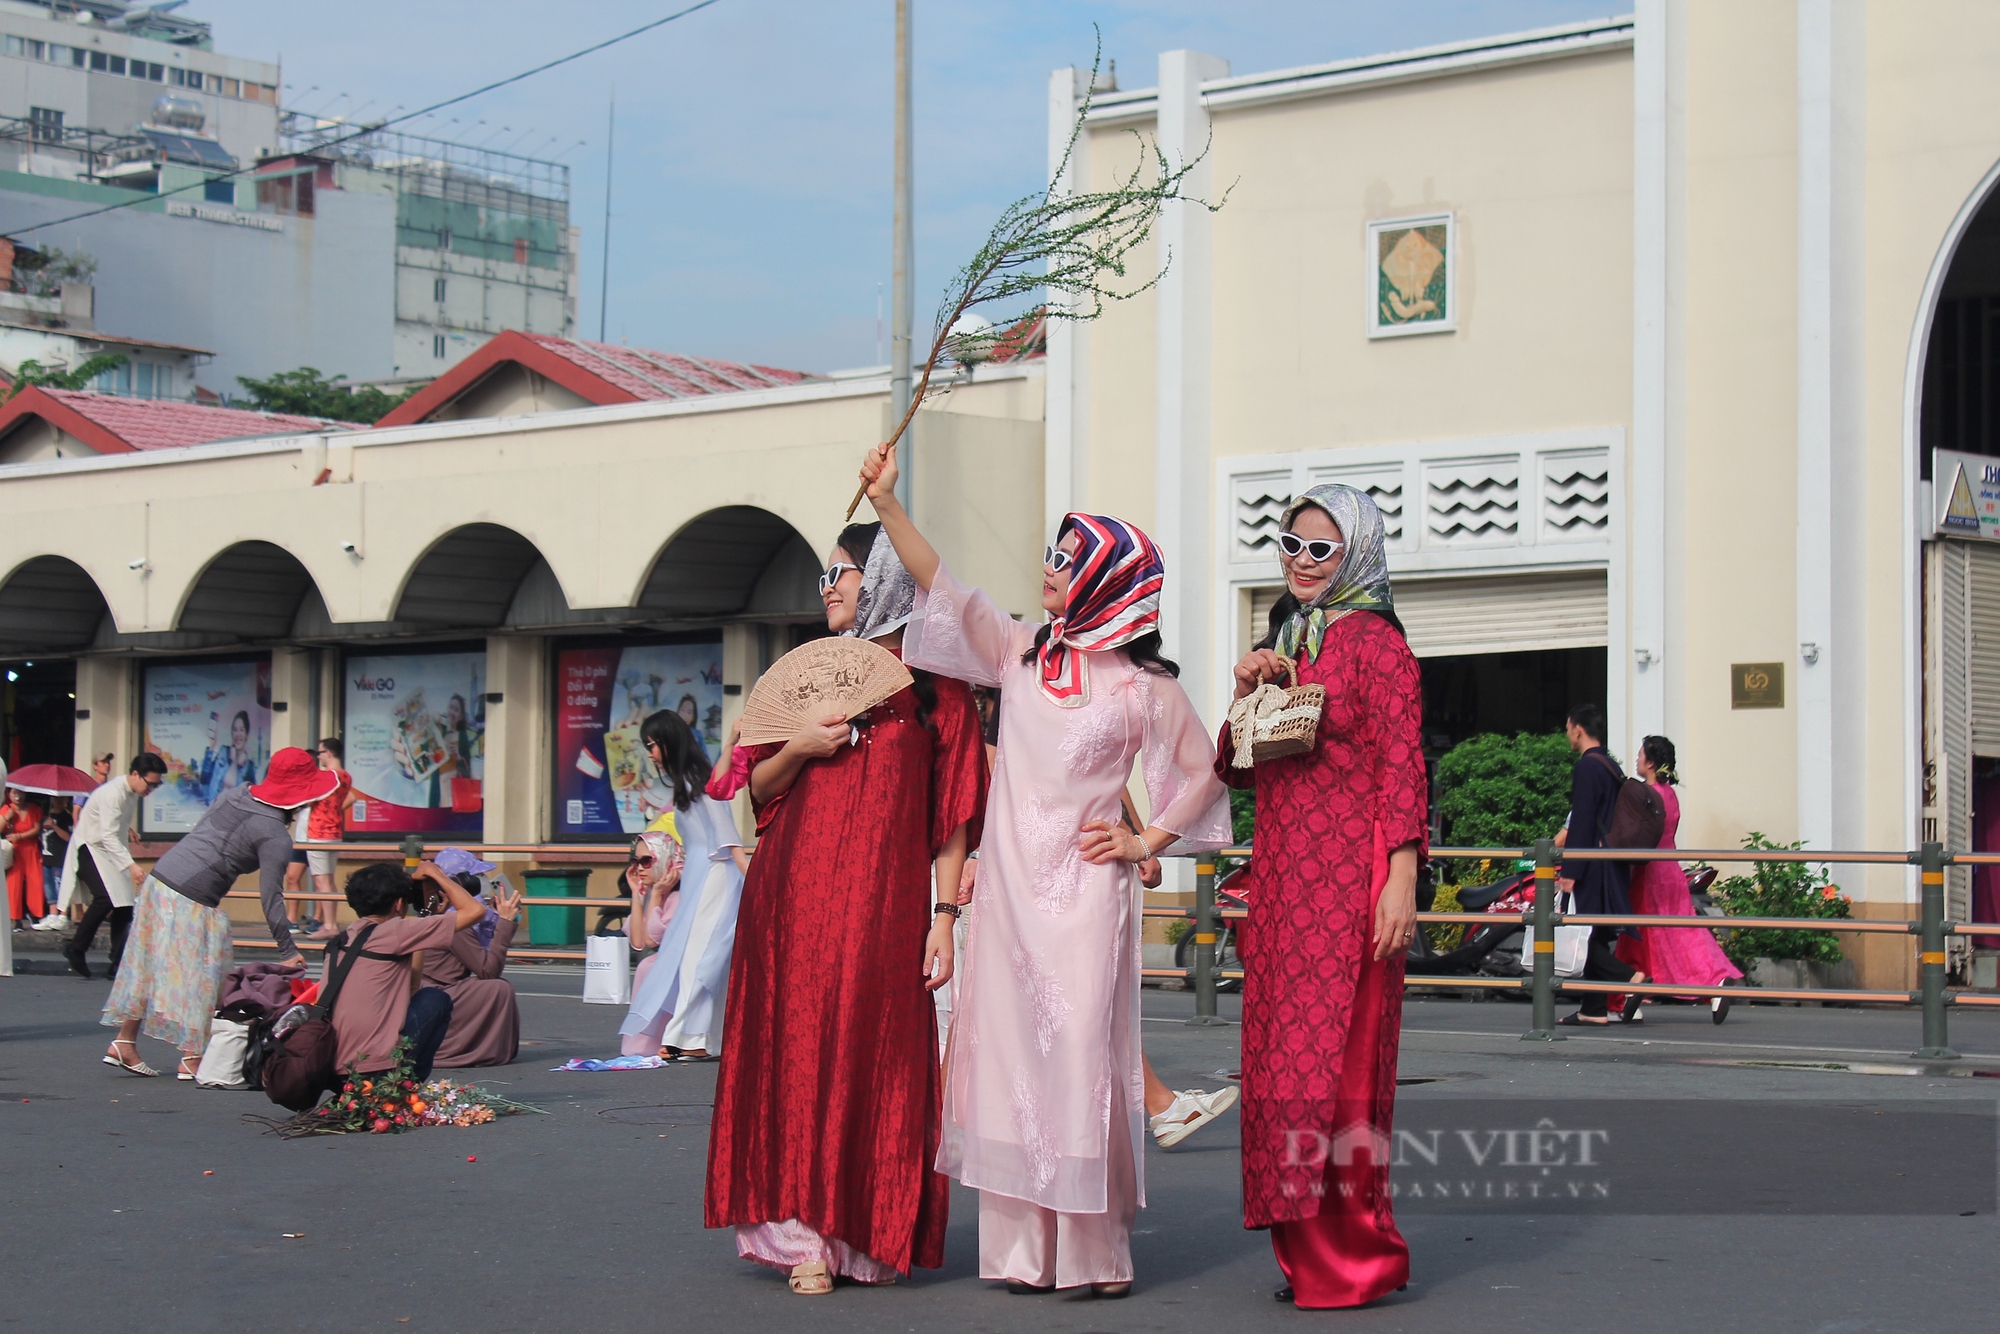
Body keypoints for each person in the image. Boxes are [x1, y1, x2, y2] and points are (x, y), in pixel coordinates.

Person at [863, 442, 1231, 1298]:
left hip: (1087, 901)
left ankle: (1095, 1256)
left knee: (1079, 1061)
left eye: (1069, 561)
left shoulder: (1142, 688)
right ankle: (1024, 1255)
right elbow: (945, 585)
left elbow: (1207, 764)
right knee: (1011, 1063)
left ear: (1108, 580)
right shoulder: (1019, 654)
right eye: (1052, 557)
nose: (1051, 570)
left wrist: (1147, 843)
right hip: (1010, 894)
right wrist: (887, 504)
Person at [706, 517, 986, 1295]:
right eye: (822, 578)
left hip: (884, 906)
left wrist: (944, 919)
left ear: (886, 578)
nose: (826, 590)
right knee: (793, 1053)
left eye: (841, 575)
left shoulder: (939, 692)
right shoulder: (802, 681)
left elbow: (953, 818)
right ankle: (803, 1237)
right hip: (788, 901)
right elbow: (756, 795)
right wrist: (800, 745)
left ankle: (868, 1230)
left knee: (877, 1055)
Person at [1221, 483, 1425, 1309]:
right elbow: (1234, 768)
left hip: (1354, 885)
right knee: (1281, 1065)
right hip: (1283, 883)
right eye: (1290, 544)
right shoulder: (1286, 642)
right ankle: (1300, 1250)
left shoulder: (1379, 645)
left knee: (1340, 1070)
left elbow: (1404, 763)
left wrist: (1401, 878)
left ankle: (1355, 1256)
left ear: (1358, 555)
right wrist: (1248, 688)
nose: (1300, 562)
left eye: (1321, 549)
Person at [101, 747, 334, 1079]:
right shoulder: (275, 835)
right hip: (193, 895)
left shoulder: (237, 793)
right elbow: (270, 897)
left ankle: (124, 1040)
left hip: (161, 878)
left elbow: (208, 836)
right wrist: (288, 949)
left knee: (145, 962)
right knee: (205, 975)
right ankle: (192, 1056)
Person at [620, 710, 747, 1063]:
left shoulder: (696, 782)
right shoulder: (688, 782)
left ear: (668, 743)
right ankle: (701, 1037)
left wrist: (751, 877)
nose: (649, 754)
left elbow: (728, 838)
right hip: (700, 877)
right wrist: (731, 742)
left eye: (652, 745)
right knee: (700, 958)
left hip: (716, 877)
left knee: (700, 958)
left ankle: (686, 1036)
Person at [325, 861, 486, 1083]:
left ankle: (392, 1085)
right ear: (399, 905)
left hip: (335, 1073)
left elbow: (411, 987)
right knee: (435, 999)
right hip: (375, 1072)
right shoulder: (395, 931)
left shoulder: (341, 940)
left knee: (422, 998)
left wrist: (427, 918)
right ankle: (406, 1084)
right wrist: (436, 874)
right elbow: (475, 911)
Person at [1617, 736, 1741, 1022]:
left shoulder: (1645, 795)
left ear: (1649, 762)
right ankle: (1629, 993)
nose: (1636, 760)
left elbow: (1634, 835)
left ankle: (1712, 979)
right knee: (1677, 931)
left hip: (1648, 873)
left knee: (1646, 933)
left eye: (1639, 755)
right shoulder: (1669, 793)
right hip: (1671, 869)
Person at [1556, 704, 1648, 1026]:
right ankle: (1592, 1009)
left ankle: (1629, 976)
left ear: (1577, 729)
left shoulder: (1586, 768)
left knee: (1579, 929)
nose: (1568, 734)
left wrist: (1570, 871)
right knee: (1594, 934)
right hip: (1611, 861)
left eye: (1568, 728)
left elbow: (1582, 821)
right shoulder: (1610, 765)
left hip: (1593, 863)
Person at [60, 755, 167, 979]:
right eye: (151, 784)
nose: (152, 789)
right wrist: (132, 866)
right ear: (136, 774)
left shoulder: (133, 792)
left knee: (125, 905)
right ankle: (76, 948)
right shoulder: (112, 793)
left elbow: (117, 822)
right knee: (105, 898)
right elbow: (107, 836)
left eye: (156, 785)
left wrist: (127, 830)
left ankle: (119, 961)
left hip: (110, 850)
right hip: (90, 846)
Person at [421, 854, 525, 1068]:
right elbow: (488, 970)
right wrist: (504, 923)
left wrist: (498, 918)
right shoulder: (454, 920)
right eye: (477, 877)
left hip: (436, 989)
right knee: (497, 988)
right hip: (437, 992)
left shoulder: (444, 912)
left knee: (497, 987)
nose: (484, 881)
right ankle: (469, 1051)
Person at [617, 829, 685, 1057]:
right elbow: (638, 942)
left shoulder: (678, 898)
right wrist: (637, 894)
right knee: (648, 964)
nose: (639, 868)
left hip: (683, 965)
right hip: (666, 962)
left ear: (665, 860)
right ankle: (647, 1041)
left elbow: (650, 939)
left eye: (646, 861)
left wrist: (655, 895)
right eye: (635, 861)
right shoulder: (658, 895)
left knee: (650, 966)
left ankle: (664, 1039)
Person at [303, 738, 356, 939]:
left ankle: (329, 924)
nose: (319, 756)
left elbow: (309, 800)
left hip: (319, 832)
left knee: (321, 880)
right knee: (329, 879)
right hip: (335, 831)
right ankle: (330, 923)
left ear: (330, 753)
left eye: (321, 752)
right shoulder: (345, 776)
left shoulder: (326, 777)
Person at [5, 785, 49, 927]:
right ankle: (15, 919)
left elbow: (37, 829)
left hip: (31, 848)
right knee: (14, 884)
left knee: (36, 881)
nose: (18, 795)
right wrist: (7, 817)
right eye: (14, 792)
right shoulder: (7, 809)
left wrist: (20, 835)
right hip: (15, 851)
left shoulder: (34, 809)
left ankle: (35, 914)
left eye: (20, 792)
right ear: (9, 794)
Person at [199, 709, 259, 804]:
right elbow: (204, 778)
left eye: (242, 730)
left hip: (234, 817)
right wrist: (212, 745)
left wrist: (240, 768)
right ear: (232, 733)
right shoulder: (223, 752)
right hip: (214, 813)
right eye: (235, 730)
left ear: (247, 734)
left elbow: (253, 801)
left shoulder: (249, 766)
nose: (238, 734)